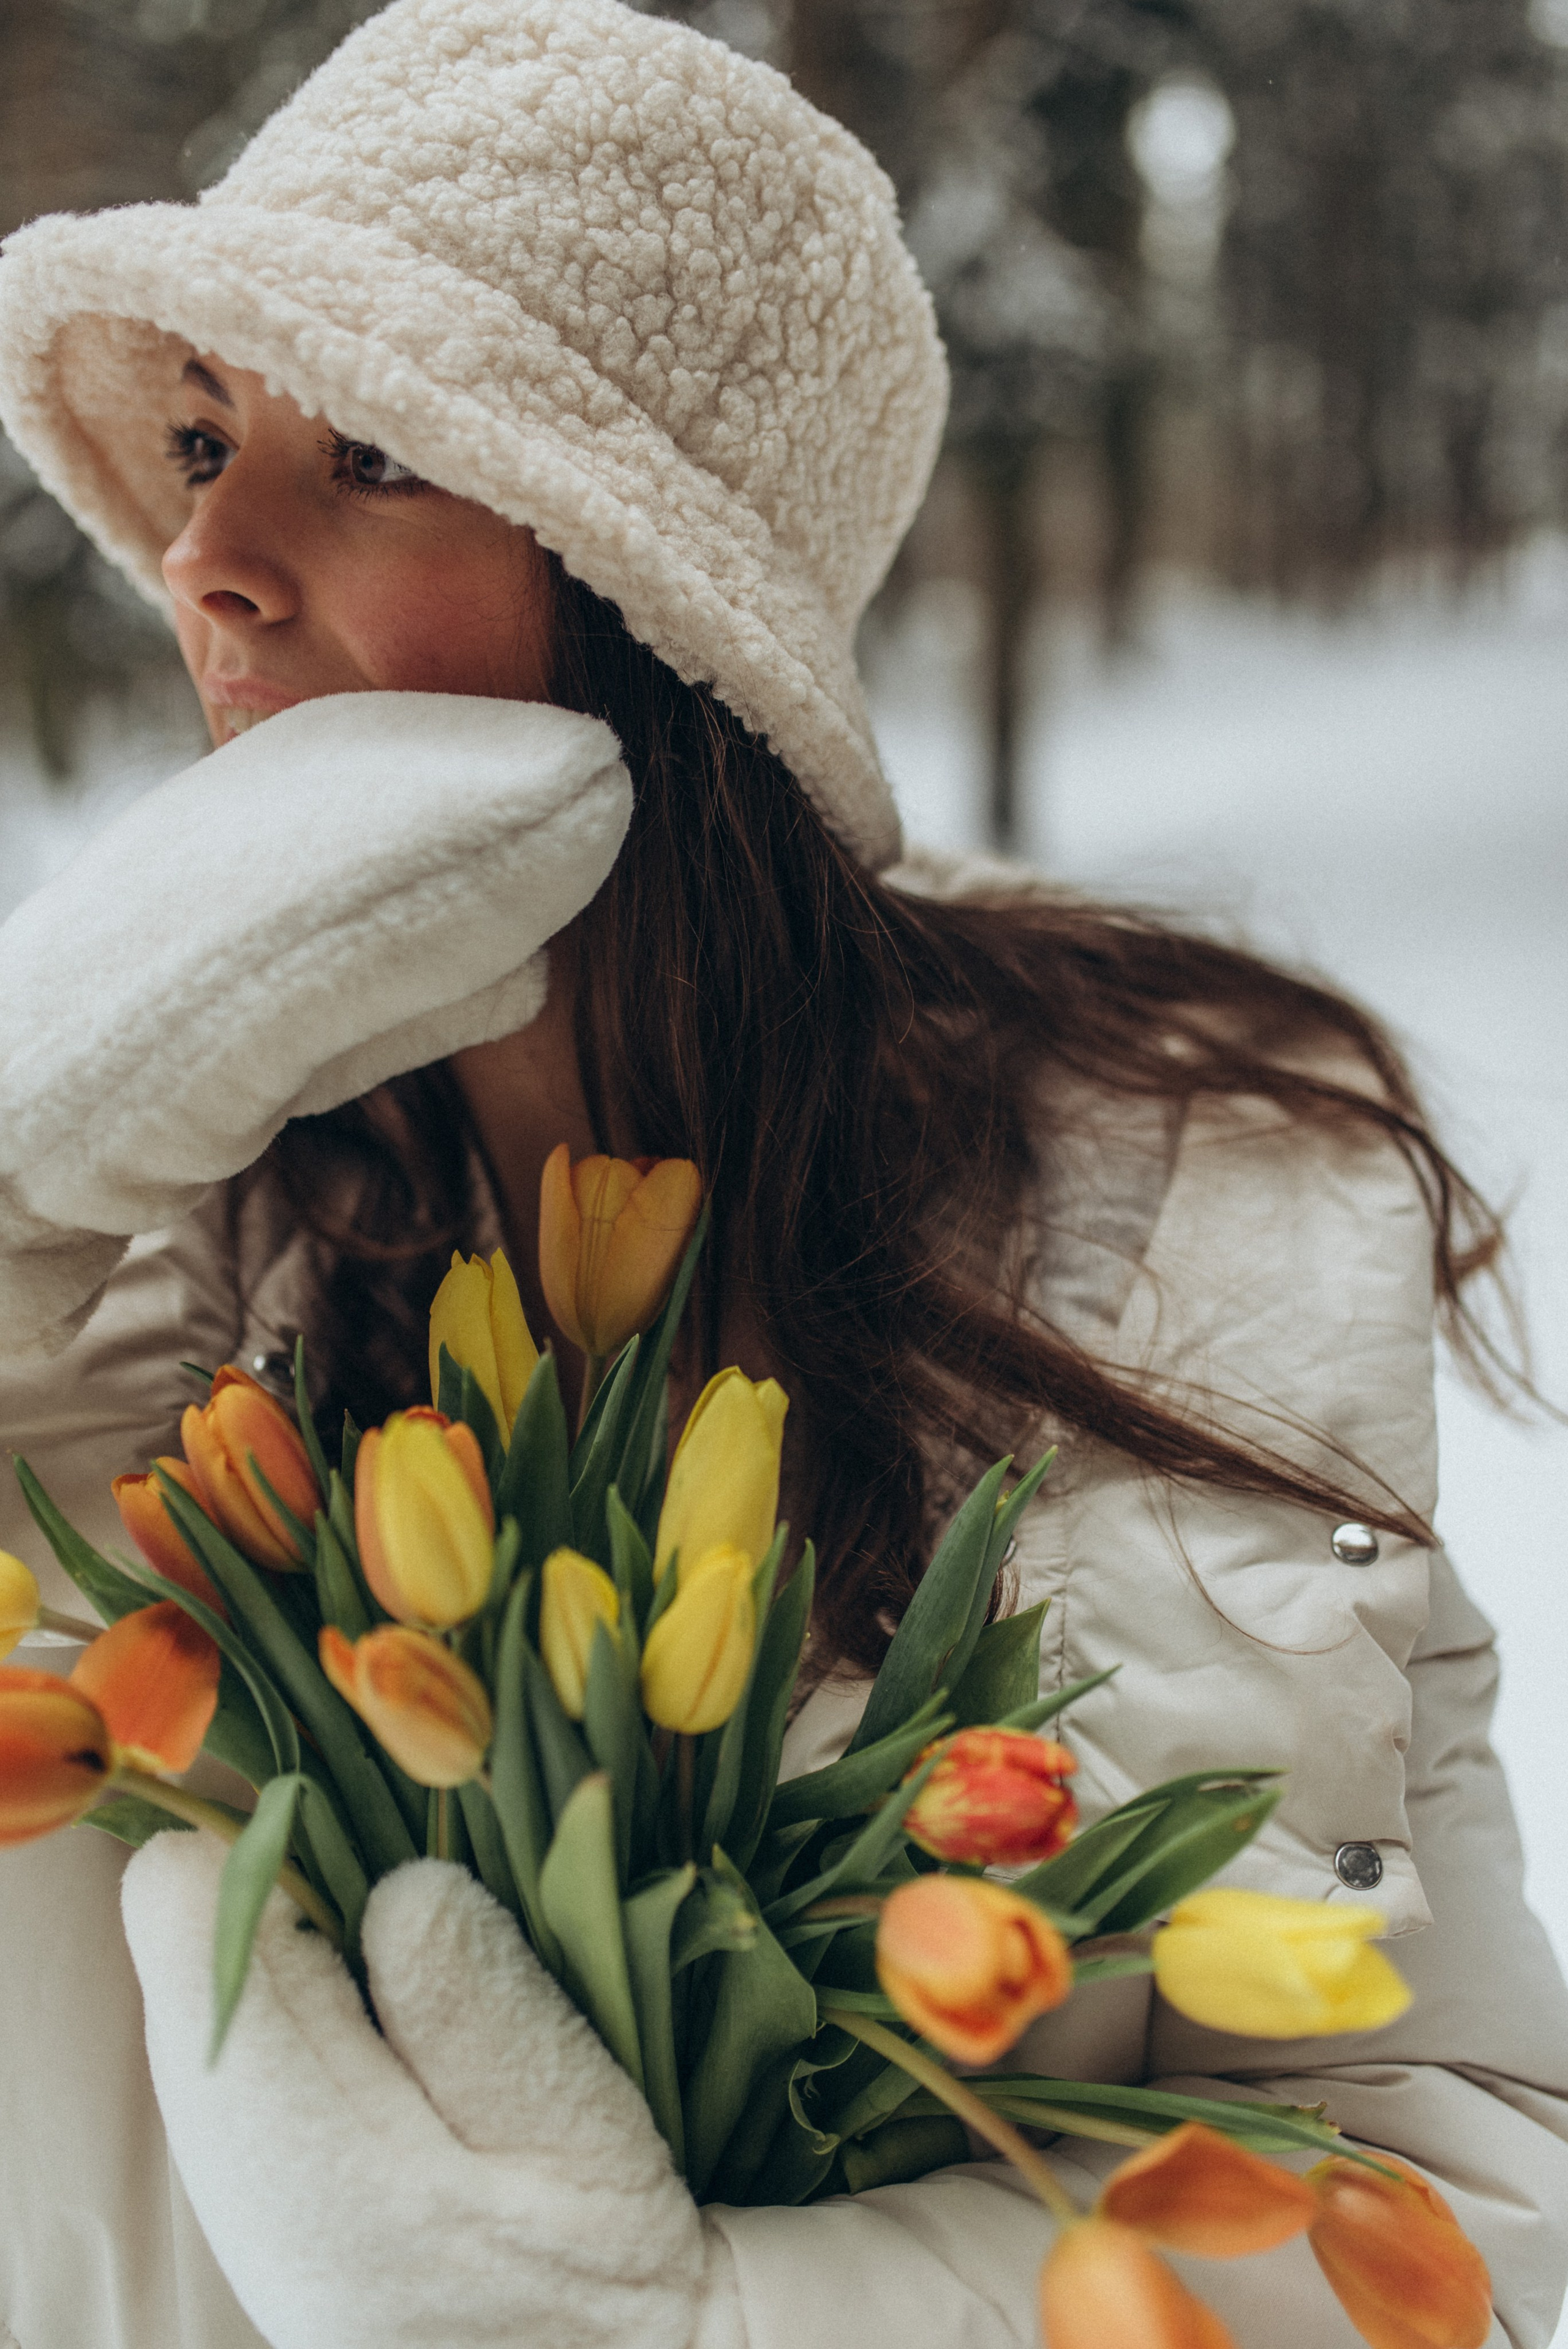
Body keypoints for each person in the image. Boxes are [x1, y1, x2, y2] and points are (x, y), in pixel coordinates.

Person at [0, 3, 1564, 2345]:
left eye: (379, 450)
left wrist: (718, 2326)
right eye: (208, 438)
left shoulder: (1193, 1244)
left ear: (667, 612)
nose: (208, 550)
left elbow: (1471, 2192)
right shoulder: (123, 1276)